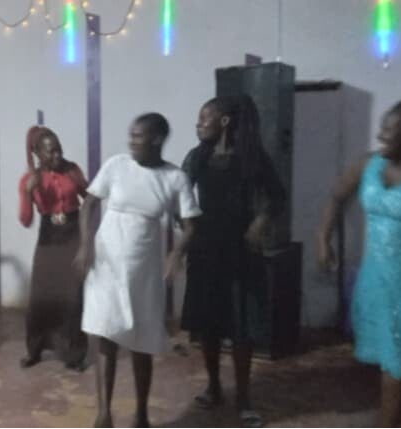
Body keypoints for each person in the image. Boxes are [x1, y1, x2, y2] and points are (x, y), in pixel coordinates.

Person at [318, 98, 401, 428]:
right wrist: (323, 238)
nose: (381, 135)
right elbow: (336, 195)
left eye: (389, 130)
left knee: (397, 371)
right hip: (377, 285)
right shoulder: (369, 165)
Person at [75, 113, 201, 428]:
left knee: (141, 339)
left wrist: (176, 252)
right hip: (107, 263)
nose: (131, 141)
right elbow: (89, 204)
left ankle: (142, 413)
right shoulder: (117, 165)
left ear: (157, 139)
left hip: (144, 268)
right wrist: (85, 244)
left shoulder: (174, 177)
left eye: (138, 136)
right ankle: (104, 412)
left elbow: (190, 225)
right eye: (130, 135)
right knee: (105, 332)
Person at [180, 95, 285, 428]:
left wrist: (261, 220)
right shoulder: (198, 157)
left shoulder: (252, 158)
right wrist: (184, 228)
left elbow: (277, 196)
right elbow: (179, 194)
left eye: (203, 118)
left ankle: (243, 397)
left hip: (241, 249)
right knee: (208, 325)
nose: (198, 125)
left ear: (223, 121)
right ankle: (213, 387)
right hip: (206, 248)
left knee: (241, 328)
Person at [18, 126, 89, 371]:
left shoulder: (72, 170)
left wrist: (87, 237)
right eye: (50, 152)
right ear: (37, 153)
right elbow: (26, 220)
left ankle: (74, 355)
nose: (57, 155)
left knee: (72, 295)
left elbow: (89, 200)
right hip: (48, 236)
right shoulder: (29, 180)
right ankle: (35, 350)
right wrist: (29, 193)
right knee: (41, 295)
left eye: (58, 149)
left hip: (72, 233)